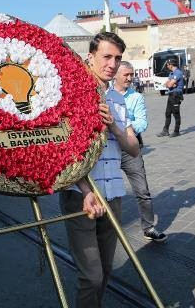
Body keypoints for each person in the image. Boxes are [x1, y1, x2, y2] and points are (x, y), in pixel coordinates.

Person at [60, 32, 139, 308]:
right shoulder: (70, 96)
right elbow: (65, 152)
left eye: (117, 58)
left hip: (113, 195)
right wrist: (84, 189)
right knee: (91, 276)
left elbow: (134, 148)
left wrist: (114, 126)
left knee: (105, 272)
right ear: (90, 57)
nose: (112, 64)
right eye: (106, 57)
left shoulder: (118, 100)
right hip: (81, 197)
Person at [113, 62, 166, 242]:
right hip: (109, 149)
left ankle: (149, 226)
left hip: (130, 148)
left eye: (131, 74)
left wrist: (121, 127)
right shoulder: (105, 95)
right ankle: (109, 227)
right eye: (126, 75)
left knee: (142, 190)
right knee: (108, 190)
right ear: (116, 75)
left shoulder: (136, 97)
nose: (129, 78)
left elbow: (142, 123)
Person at [156, 58, 184, 137]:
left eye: (168, 65)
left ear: (171, 65)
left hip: (176, 94)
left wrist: (170, 84)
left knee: (176, 113)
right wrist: (170, 84)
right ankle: (165, 130)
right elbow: (167, 84)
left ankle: (176, 131)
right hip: (171, 94)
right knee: (167, 113)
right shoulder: (171, 74)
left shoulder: (178, 73)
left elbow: (169, 85)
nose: (167, 66)